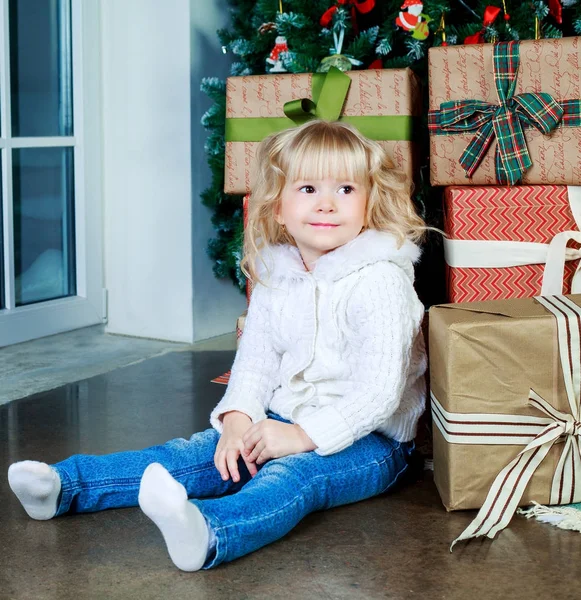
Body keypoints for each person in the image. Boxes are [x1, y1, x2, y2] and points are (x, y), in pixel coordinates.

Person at [8, 120, 428, 572]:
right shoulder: (277, 274)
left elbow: (379, 393)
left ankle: (210, 532)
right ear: (279, 208)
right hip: (287, 418)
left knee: (293, 477)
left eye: (345, 189)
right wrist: (237, 419)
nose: (327, 203)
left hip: (370, 441)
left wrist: (302, 436)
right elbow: (257, 360)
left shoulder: (380, 280)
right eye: (308, 188)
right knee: (196, 456)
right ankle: (64, 486)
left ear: (368, 203)